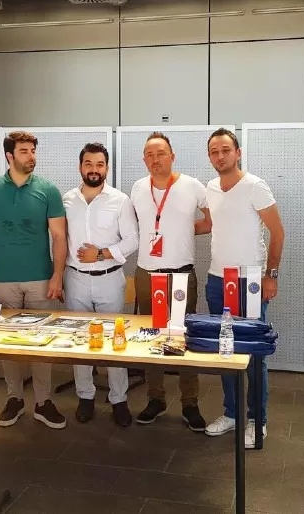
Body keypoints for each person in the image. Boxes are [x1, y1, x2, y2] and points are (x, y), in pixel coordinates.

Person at [0, 130, 68, 430]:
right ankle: (14, 398)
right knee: (6, 343)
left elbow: (59, 236)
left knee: (42, 342)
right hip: (3, 280)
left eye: (33, 151)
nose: (31, 156)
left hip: (41, 279)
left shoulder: (48, 190)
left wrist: (58, 275)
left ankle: (43, 401)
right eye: (24, 151)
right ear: (9, 156)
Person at [203, 128, 284, 448]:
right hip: (217, 279)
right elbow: (212, 226)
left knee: (253, 353)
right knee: (225, 350)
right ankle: (232, 413)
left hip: (249, 280)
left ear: (237, 153)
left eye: (225, 150)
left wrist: (271, 275)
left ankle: (256, 420)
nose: (220, 156)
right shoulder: (210, 188)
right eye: (214, 151)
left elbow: (278, 232)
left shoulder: (255, 186)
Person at [130, 132, 211, 431]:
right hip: (147, 273)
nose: (155, 159)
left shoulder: (192, 186)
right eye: (149, 155)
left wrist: (185, 231)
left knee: (181, 337)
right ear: (144, 160)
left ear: (172, 156)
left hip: (180, 273)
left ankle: (190, 402)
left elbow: (211, 220)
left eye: (161, 153)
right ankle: (156, 398)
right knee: (151, 336)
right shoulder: (138, 188)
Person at [62, 142, 139, 427]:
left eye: (99, 164)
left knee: (116, 341)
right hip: (76, 279)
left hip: (109, 278)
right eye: (89, 164)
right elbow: (59, 239)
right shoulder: (67, 200)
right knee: (80, 341)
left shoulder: (120, 200)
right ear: (80, 166)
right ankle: (85, 396)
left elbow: (132, 240)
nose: (94, 170)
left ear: (106, 168)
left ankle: (119, 399)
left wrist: (101, 254)